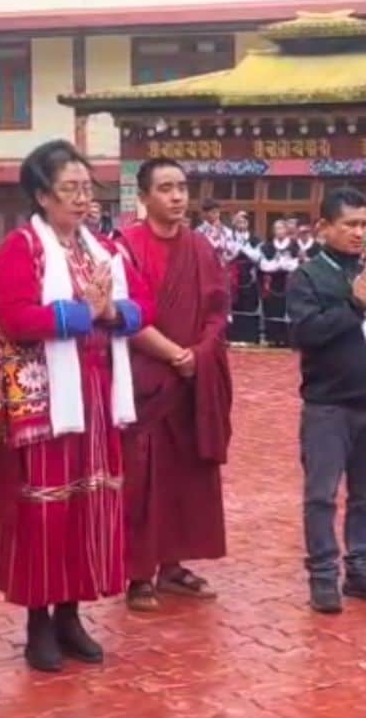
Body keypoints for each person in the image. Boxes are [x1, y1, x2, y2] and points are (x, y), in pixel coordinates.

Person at [0, 139, 153, 672]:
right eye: (69, 189)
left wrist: (110, 314)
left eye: (86, 188)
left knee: (90, 505)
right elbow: (15, 318)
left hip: (98, 398)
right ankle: (38, 623)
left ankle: (71, 614)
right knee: (46, 509)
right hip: (46, 403)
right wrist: (83, 313)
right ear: (41, 195)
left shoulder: (104, 248)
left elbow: (142, 304)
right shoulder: (22, 248)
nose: (82, 199)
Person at [287, 186, 366, 614]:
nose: (360, 233)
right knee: (321, 495)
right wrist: (354, 303)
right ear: (324, 228)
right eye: (350, 225)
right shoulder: (308, 276)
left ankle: (361, 569)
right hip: (328, 406)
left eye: (365, 225)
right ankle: (323, 574)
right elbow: (307, 332)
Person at [117, 158, 232, 612]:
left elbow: (218, 310)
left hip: (191, 382)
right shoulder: (126, 247)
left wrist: (199, 355)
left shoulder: (201, 248)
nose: (177, 197)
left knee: (187, 476)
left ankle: (174, 565)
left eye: (182, 187)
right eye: (165, 188)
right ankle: (138, 572)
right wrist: (173, 355)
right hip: (146, 378)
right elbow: (124, 313)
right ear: (143, 197)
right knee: (142, 478)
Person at [259, 219, 300, 346]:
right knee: (273, 309)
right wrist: (278, 264)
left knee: (288, 309)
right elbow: (264, 266)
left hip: (289, 281)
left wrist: (284, 264)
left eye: (282, 228)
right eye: (277, 228)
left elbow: (296, 264)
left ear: (286, 230)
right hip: (273, 283)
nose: (279, 231)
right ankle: (273, 338)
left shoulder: (294, 246)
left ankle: (287, 338)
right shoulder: (267, 246)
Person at [228, 211, 263, 343]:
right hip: (234, 275)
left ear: (248, 223)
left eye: (243, 221)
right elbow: (227, 256)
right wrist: (237, 248)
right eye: (238, 221)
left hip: (249, 275)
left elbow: (257, 257)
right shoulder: (230, 237)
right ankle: (234, 337)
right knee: (234, 303)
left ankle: (248, 337)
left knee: (249, 304)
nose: (241, 224)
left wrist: (244, 248)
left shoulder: (255, 239)